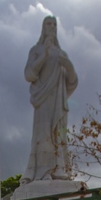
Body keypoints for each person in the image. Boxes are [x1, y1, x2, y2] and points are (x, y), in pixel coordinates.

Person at [20, 16, 79, 185]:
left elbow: (72, 82)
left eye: (54, 24)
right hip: (43, 100)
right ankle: (42, 172)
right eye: (48, 23)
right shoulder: (36, 50)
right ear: (43, 27)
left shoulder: (62, 54)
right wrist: (44, 55)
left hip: (59, 102)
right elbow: (29, 74)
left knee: (58, 136)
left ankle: (60, 171)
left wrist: (69, 67)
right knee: (44, 135)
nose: (52, 26)